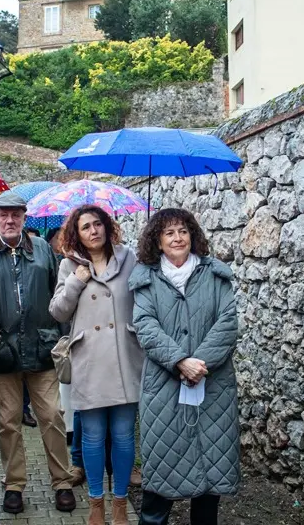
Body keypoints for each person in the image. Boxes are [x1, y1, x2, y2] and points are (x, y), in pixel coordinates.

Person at [0, 191, 76, 515]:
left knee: (51, 417)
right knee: (8, 422)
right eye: (3, 214)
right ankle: (14, 485)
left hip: (41, 349)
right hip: (1, 352)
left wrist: (58, 336)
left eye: (16, 214)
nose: (9, 220)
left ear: (25, 217)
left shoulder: (41, 249)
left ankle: (62, 482)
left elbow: (60, 295)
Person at [128, 208, 240, 525]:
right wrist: (179, 361)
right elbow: (145, 326)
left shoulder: (215, 275)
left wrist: (199, 363)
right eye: (169, 233)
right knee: (161, 471)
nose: (178, 238)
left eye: (183, 231)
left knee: (209, 474)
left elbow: (227, 323)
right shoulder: (145, 278)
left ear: (192, 235)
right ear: (157, 241)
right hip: (164, 389)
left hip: (212, 387)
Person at [50, 205, 143, 525]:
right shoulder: (69, 264)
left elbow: (144, 296)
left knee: (123, 436)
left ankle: (119, 504)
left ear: (107, 226)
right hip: (89, 361)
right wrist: (76, 281)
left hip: (124, 359)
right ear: (77, 234)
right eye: (86, 226)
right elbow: (58, 312)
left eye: (98, 224)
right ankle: (94, 505)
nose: (93, 230)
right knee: (90, 437)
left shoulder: (128, 257)